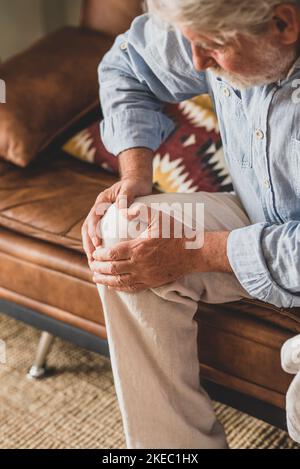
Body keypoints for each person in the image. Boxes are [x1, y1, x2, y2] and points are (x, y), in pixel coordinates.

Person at [82, 0, 300, 448]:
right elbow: (127, 65)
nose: (198, 64)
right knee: (127, 231)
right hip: (259, 216)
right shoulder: (213, 33)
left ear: (283, 23)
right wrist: (135, 177)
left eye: (214, 48)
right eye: (191, 44)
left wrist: (198, 252)